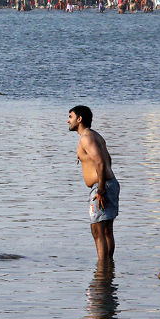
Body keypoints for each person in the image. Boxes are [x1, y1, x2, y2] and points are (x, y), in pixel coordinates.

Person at [68, 105, 119, 261]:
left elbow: (101, 163)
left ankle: (102, 268)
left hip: (102, 187)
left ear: (79, 119)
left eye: (70, 117)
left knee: (98, 230)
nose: (68, 120)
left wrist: (101, 190)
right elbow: (108, 159)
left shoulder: (86, 138)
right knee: (106, 230)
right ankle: (108, 266)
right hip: (109, 183)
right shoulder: (95, 135)